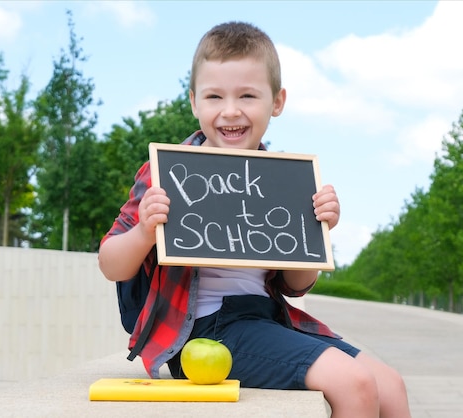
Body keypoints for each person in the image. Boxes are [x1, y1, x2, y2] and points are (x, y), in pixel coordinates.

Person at [98, 21, 411, 418]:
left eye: (248, 95)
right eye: (214, 96)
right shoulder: (168, 171)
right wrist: (145, 231)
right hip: (203, 332)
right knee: (355, 383)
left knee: (391, 386)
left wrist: (317, 232)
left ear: (277, 102)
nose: (231, 111)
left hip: (267, 319)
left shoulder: (284, 180)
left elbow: (295, 286)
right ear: (194, 102)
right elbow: (111, 263)